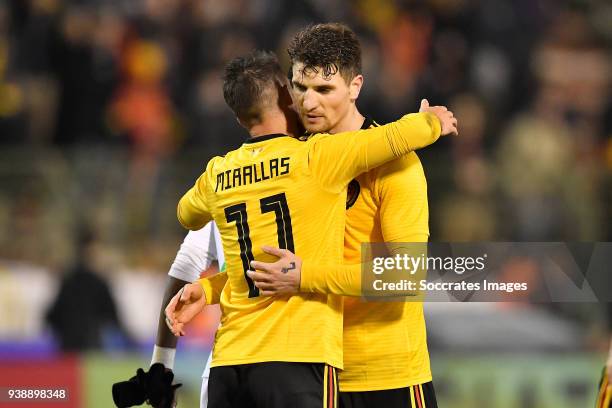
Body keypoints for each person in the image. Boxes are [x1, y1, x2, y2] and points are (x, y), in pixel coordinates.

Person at [166, 48, 455, 408]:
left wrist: (304, 276)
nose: (310, 102)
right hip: (316, 373)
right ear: (287, 95)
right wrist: (211, 290)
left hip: (385, 377)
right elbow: (280, 266)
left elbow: (405, 278)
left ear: (355, 87)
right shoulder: (308, 159)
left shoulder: (395, 167)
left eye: (324, 89)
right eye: (301, 88)